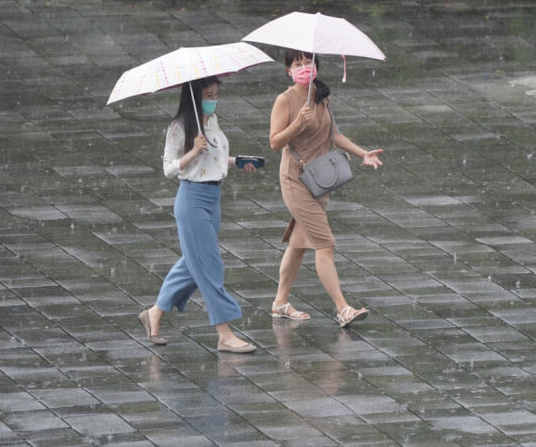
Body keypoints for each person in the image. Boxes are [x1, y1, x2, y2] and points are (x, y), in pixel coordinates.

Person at [138, 76, 257, 353]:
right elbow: (169, 168)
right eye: (208, 95)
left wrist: (238, 162)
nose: (213, 99)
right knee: (209, 265)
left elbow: (213, 159)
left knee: (192, 263)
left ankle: (155, 313)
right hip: (192, 199)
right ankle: (224, 333)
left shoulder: (212, 121)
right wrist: (193, 150)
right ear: (194, 96)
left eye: (216, 94)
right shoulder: (179, 127)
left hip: (214, 198)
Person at [269, 50, 384, 327]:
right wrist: (298, 123)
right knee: (325, 243)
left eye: (308, 62)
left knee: (298, 246)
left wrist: (363, 154)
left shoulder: (322, 95)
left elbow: (335, 135)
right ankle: (342, 309)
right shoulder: (284, 100)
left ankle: (280, 303)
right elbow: (274, 142)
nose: (304, 67)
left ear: (317, 66)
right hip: (296, 180)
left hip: (319, 180)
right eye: (297, 64)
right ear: (288, 70)